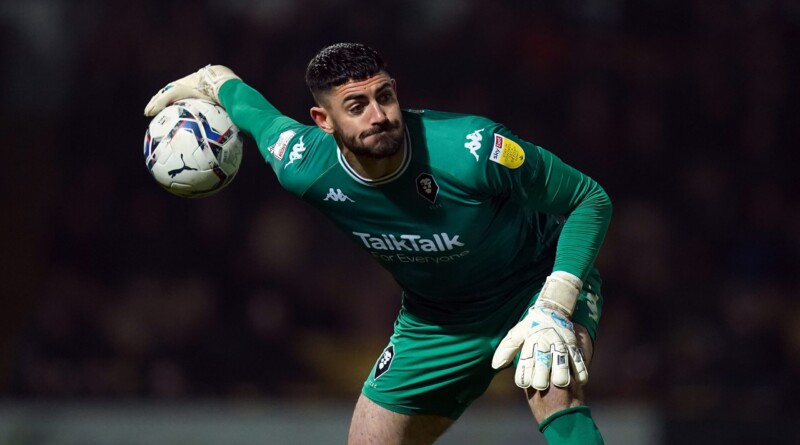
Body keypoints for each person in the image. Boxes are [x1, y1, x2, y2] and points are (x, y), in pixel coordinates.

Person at [144, 42, 612, 445]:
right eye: (356, 106)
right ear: (323, 120)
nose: (379, 115)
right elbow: (258, 117)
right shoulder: (304, 166)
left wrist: (555, 303)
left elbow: (589, 198)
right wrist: (215, 79)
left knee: (552, 381)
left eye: (384, 96)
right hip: (436, 321)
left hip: (535, 286)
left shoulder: (473, 149)